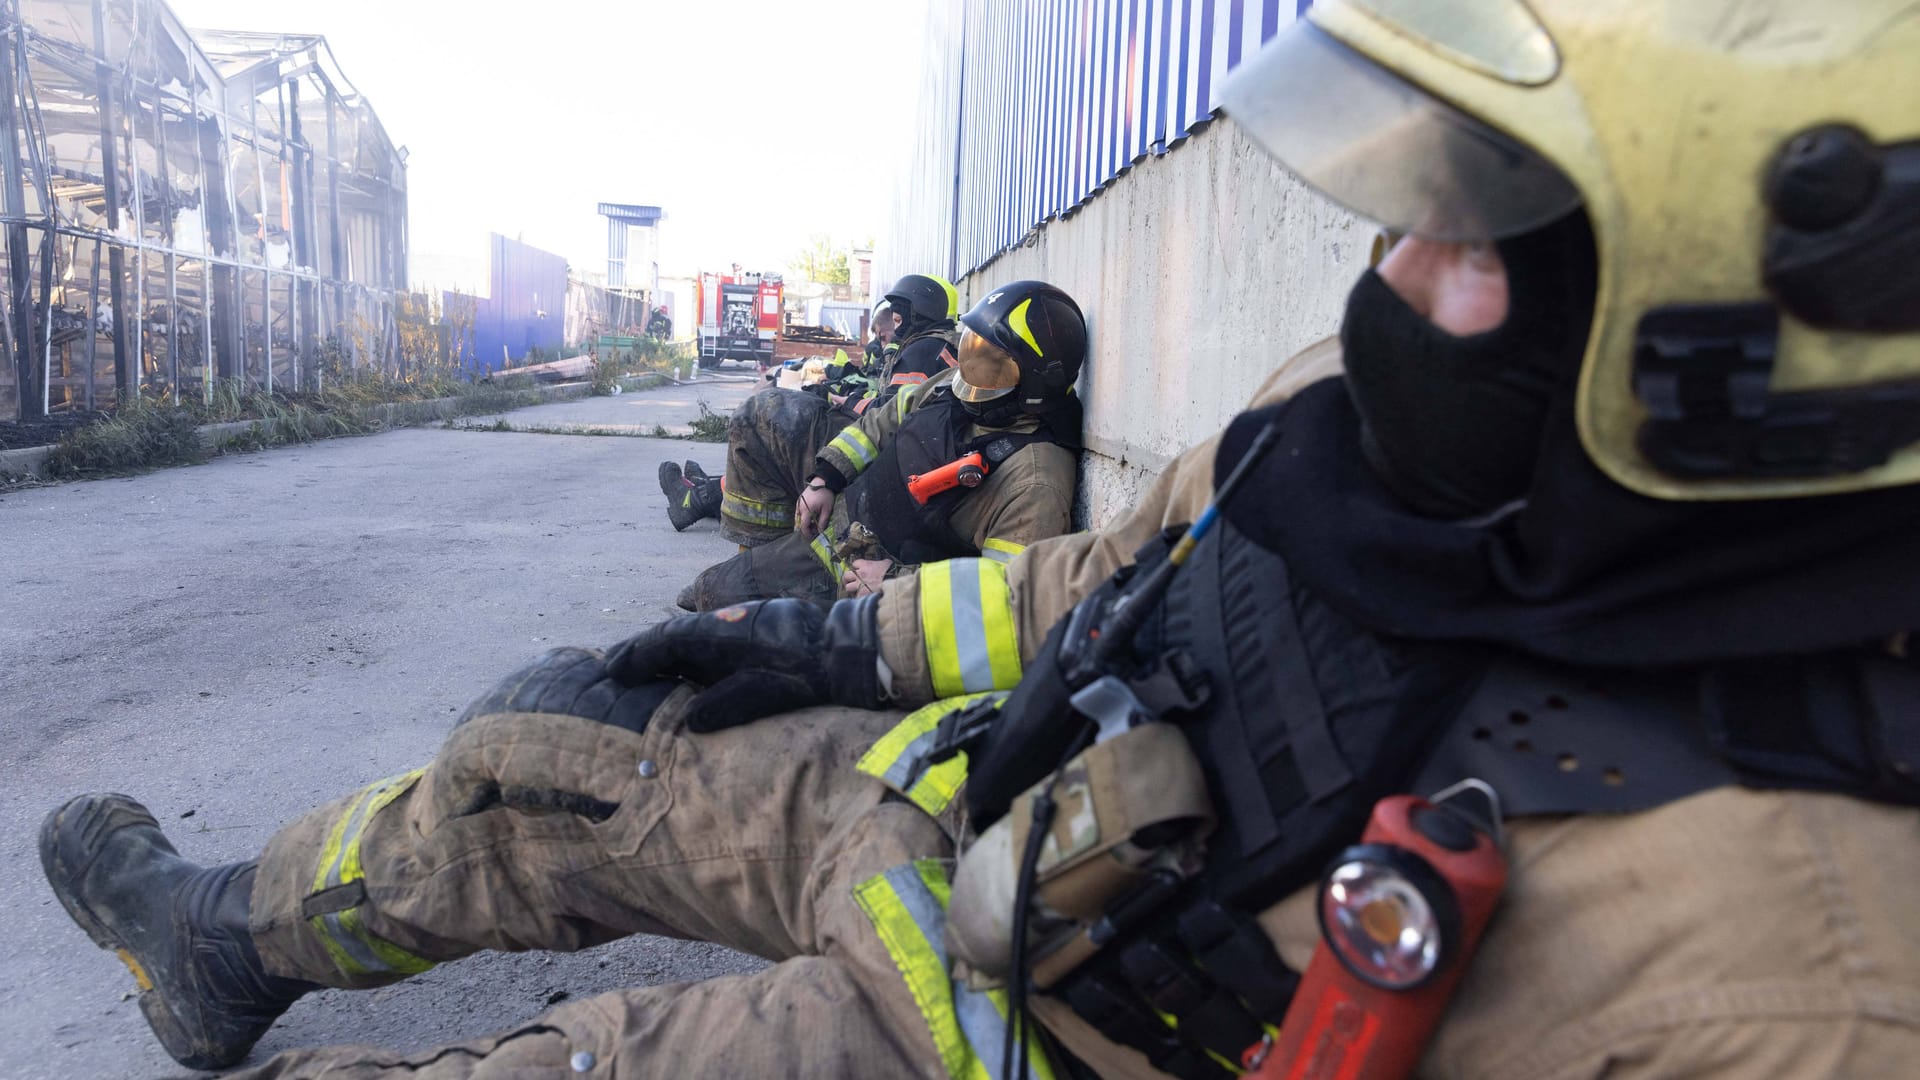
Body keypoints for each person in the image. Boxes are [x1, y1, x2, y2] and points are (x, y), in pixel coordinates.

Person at [40, 3, 1920, 1078]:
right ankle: (223, 942)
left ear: (1737, 360)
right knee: (542, 767)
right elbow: (1105, 583)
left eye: (1487, 237)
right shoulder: (1380, 423)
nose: (1400, 276)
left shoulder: (1801, 984)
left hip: (1009, 1033)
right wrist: (818, 653)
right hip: (975, 813)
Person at [670, 280, 1084, 611]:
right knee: (709, 589)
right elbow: (882, 421)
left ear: (1034, 381)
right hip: (849, 521)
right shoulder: (966, 392)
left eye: (993, 364)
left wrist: (897, 582)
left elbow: (1006, 599)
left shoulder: (1036, 484)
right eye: (973, 353)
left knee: (715, 602)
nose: (971, 372)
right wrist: (824, 480)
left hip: (874, 584)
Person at [659, 300, 898, 533]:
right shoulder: (899, 354)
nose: (878, 343)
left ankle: (696, 498)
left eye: (882, 335)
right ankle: (706, 488)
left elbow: (886, 408)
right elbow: (882, 397)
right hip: (870, 437)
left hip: (870, 448)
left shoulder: (911, 357)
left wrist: (849, 398)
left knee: (776, 437)